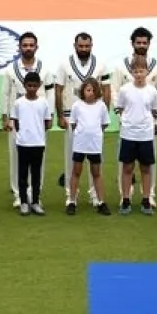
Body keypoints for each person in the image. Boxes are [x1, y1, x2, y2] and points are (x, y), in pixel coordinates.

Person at [110, 27, 157, 208]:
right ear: (132, 43)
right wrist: (121, 115)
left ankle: (149, 195)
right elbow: (114, 90)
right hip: (128, 125)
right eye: (138, 42)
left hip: (148, 125)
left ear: (149, 44)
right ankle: (125, 195)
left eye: (144, 43)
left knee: (148, 164)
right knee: (125, 164)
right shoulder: (121, 66)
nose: (141, 45)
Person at [55, 33, 111, 208]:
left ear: (91, 46)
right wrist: (60, 116)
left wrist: (104, 115)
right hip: (72, 116)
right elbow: (58, 90)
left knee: (95, 161)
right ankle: (71, 196)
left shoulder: (101, 64)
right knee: (72, 159)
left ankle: (95, 195)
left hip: (94, 118)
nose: (84, 49)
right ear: (75, 46)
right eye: (81, 46)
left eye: (87, 46)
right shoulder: (64, 64)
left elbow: (106, 90)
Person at [1, 31, 54, 209]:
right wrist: (5, 117)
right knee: (16, 157)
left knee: (38, 161)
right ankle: (19, 194)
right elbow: (6, 94)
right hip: (17, 118)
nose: (28, 48)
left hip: (38, 119)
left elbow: (50, 93)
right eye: (25, 45)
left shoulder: (45, 69)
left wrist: (50, 115)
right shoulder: (10, 70)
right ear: (19, 47)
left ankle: (35, 194)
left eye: (31, 45)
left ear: (36, 47)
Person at [115, 55, 157, 216]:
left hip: (145, 135)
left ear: (147, 72)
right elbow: (120, 108)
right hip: (128, 134)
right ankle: (126, 199)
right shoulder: (124, 90)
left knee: (146, 168)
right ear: (131, 72)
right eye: (135, 71)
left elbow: (153, 110)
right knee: (127, 167)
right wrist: (127, 121)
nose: (139, 74)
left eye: (141, 71)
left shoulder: (152, 91)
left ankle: (146, 199)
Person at [10, 72, 53, 217]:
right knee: (22, 173)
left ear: (39, 86)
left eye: (35, 86)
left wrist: (38, 133)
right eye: (29, 86)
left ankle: (35, 201)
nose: (32, 88)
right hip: (23, 143)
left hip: (38, 143)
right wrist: (23, 135)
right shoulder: (18, 103)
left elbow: (47, 123)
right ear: (24, 85)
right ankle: (23, 201)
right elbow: (16, 122)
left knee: (36, 174)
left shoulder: (43, 102)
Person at [68, 79, 111, 217]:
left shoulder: (101, 106)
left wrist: (95, 133)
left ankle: (101, 202)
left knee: (96, 173)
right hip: (80, 144)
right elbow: (73, 123)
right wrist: (81, 133)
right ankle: (72, 201)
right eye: (88, 90)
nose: (90, 93)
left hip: (95, 145)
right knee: (76, 171)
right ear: (83, 91)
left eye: (93, 90)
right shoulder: (77, 106)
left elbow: (104, 124)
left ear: (97, 91)